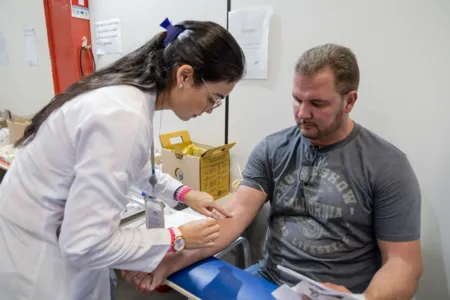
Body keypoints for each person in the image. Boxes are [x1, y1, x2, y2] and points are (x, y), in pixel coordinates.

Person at [122, 43, 423, 299]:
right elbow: (234, 216)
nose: (303, 114)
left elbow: (403, 263)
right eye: (297, 99)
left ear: (350, 101)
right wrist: (172, 260)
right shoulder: (274, 148)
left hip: (341, 292)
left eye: (317, 103)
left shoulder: (387, 166)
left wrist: (362, 299)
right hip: (268, 281)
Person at [0, 19, 245, 300]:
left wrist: (184, 193)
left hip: (40, 235)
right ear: (185, 75)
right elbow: (83, 244)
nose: (211, 109)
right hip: (41, 263)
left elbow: (137, 164)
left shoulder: (129, 95)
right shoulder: (123, 116)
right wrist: (178, 238)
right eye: (214, 98)